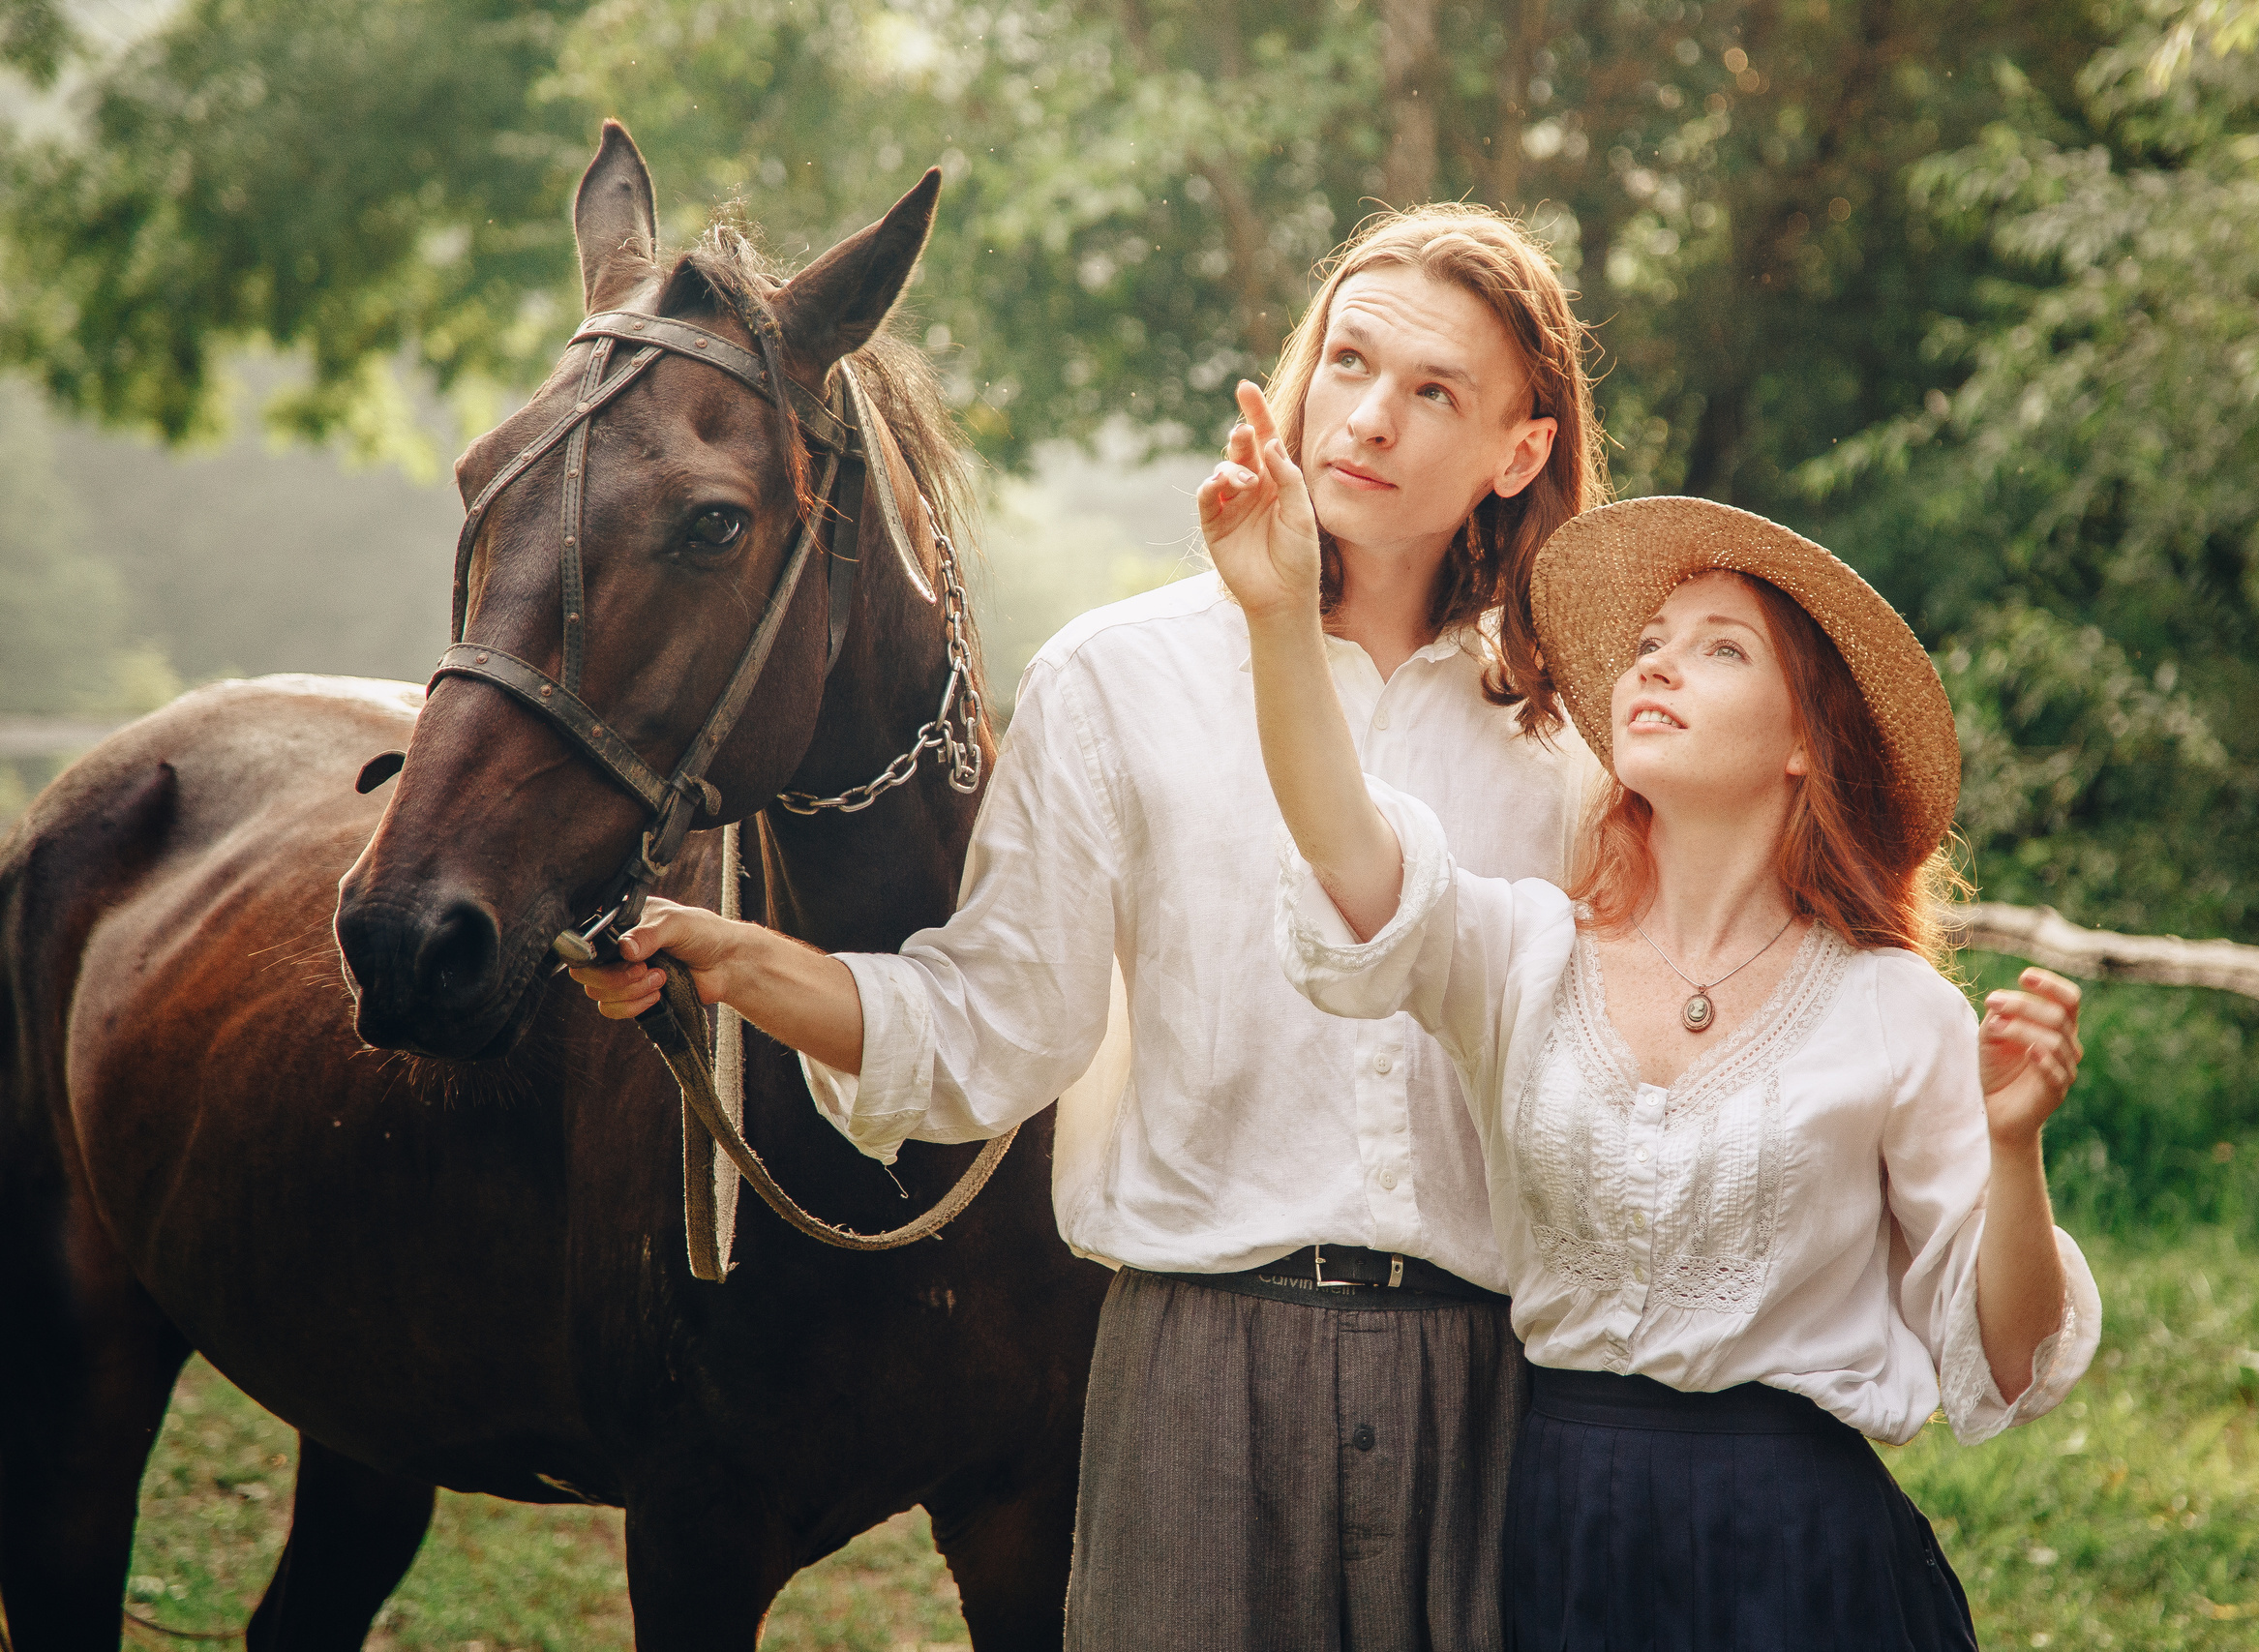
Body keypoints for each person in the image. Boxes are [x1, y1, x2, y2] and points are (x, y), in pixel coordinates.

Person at [573, 209, 2088, 1648]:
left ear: (1520, 449)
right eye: (1349, 361)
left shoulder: (1580, 741)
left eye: (1435, 391)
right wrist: (746, 964)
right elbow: (990, 1027)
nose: (1367, 417)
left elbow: (1692, 1047)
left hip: (1496, 1387)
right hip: (1194, 1363)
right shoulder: (1117, 676)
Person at [1197, 448, 2101, 1648]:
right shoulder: (1523, 951)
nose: (1658, 664)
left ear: (1802, 743)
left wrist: (2013, 1147)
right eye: (1648, 645)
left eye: (1719, 647)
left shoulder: (1896, 1009)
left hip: (1801, 1558)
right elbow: (1346, 848)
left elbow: (2009, 1353)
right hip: (1558, 1536)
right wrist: (1276, 614)